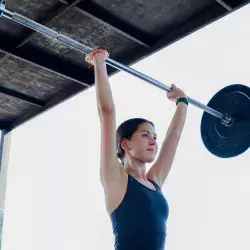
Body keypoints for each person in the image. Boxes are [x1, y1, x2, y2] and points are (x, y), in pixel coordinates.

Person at [85, 48, 188, 250]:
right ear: (125, 144)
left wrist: (182, 102)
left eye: (154, 137)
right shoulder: (115, 178)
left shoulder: (154, 182)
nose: (153, 141)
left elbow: (173, 139)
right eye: (145, 135)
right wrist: (99, 61)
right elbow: (107, 113)